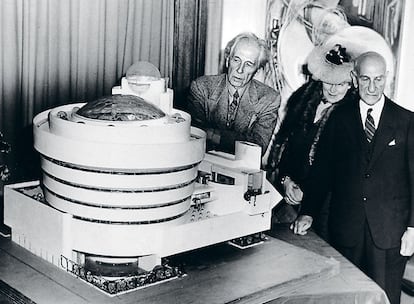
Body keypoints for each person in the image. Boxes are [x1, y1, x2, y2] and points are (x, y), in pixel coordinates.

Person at [292, 51, 414, 304]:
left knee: (385, 299)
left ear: (387, 79)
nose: (372, 87)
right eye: (366, 79)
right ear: (355, 78)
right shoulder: (338, 118)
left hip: (389, 233)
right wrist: (308, 211)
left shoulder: (406, 121)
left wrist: (412, 229)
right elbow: (323, 171)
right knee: (345, 298)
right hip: (346, 229)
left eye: (378, 79)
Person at [266, 43, 358, 237]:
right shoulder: (303, 102)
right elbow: (284, 149)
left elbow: (339, 174)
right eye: (328, 81)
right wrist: (286, 180)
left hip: (326, 210)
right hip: (287, 199)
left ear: (351, 85)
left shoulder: (352, 118)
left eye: (341, 83)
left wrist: (305, 195)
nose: (333, 89)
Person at [187, 32, 280, 156]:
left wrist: (213, 135)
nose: (240, 70)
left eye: (248, 64)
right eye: (236, 60)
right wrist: (240, 140)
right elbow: (195, 135)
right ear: (227, 61)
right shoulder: (202, 87)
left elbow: (257, 147)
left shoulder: (269, 99)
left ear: (257, 70)